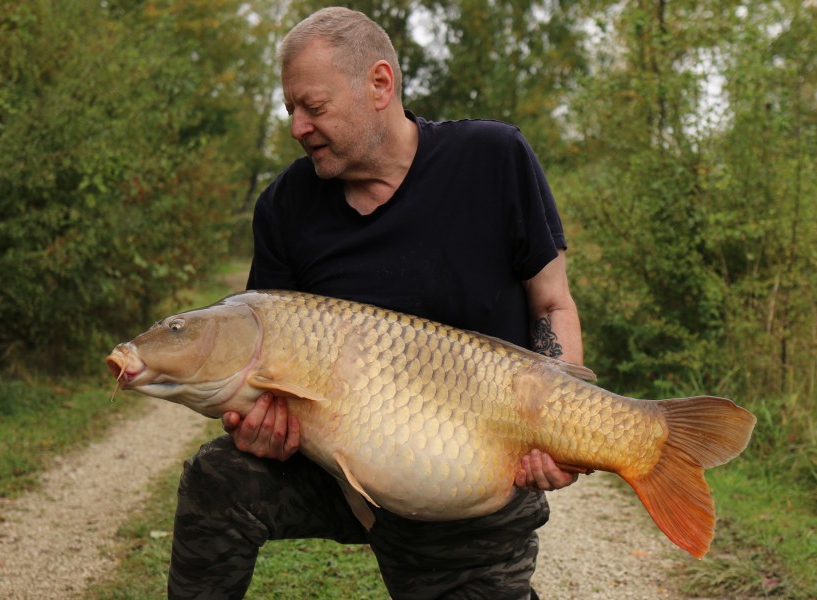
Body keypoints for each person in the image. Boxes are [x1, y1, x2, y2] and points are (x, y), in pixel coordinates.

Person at [168, 7, 584, 599]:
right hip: (337, 468)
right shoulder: (285, 206)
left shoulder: (493, 158)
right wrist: (262, 427)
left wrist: (558, 425)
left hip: (465, 480)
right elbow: (269, 371)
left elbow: (552, 305)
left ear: (379, 85)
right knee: (217, 477)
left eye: (314, 106)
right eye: (290, 110)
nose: (298, 127)